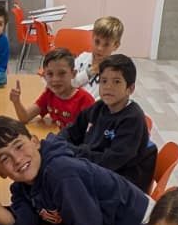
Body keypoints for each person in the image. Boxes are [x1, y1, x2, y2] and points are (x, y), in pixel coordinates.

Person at [0, 116, 149, 225]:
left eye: (19, 146)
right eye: (5, 159)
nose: (17, 159)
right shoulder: (24, 185)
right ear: (0, 172)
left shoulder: (60, 171)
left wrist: (49, 219)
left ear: (35, 142)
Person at [58, 54, 156, 193]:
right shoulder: (99, 107)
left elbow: (110, 161)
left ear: (130, 88)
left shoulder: (132, 119)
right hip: (95, 170)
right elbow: (72, 130)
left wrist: (73, 151)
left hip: (122, 187)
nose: (108, 87)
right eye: (104, 81)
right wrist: (59, 143)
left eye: (116, 82)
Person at [9, 48, 93, 129]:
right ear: (44, 75)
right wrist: (16, 102)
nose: (55, 79)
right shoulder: (49, 94)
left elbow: (93, 132)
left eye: (62, 73)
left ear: (73, 74)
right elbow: (25, 117)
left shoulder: (85, 100)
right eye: (50, 74)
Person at [72, 16, 123, 90]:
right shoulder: (83, 57)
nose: (99, 48)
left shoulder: (114, 71)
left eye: (106, 44)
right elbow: (69, 83)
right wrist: (92, 70)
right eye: (97, 42)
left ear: (116, 46)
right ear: (92, 37)